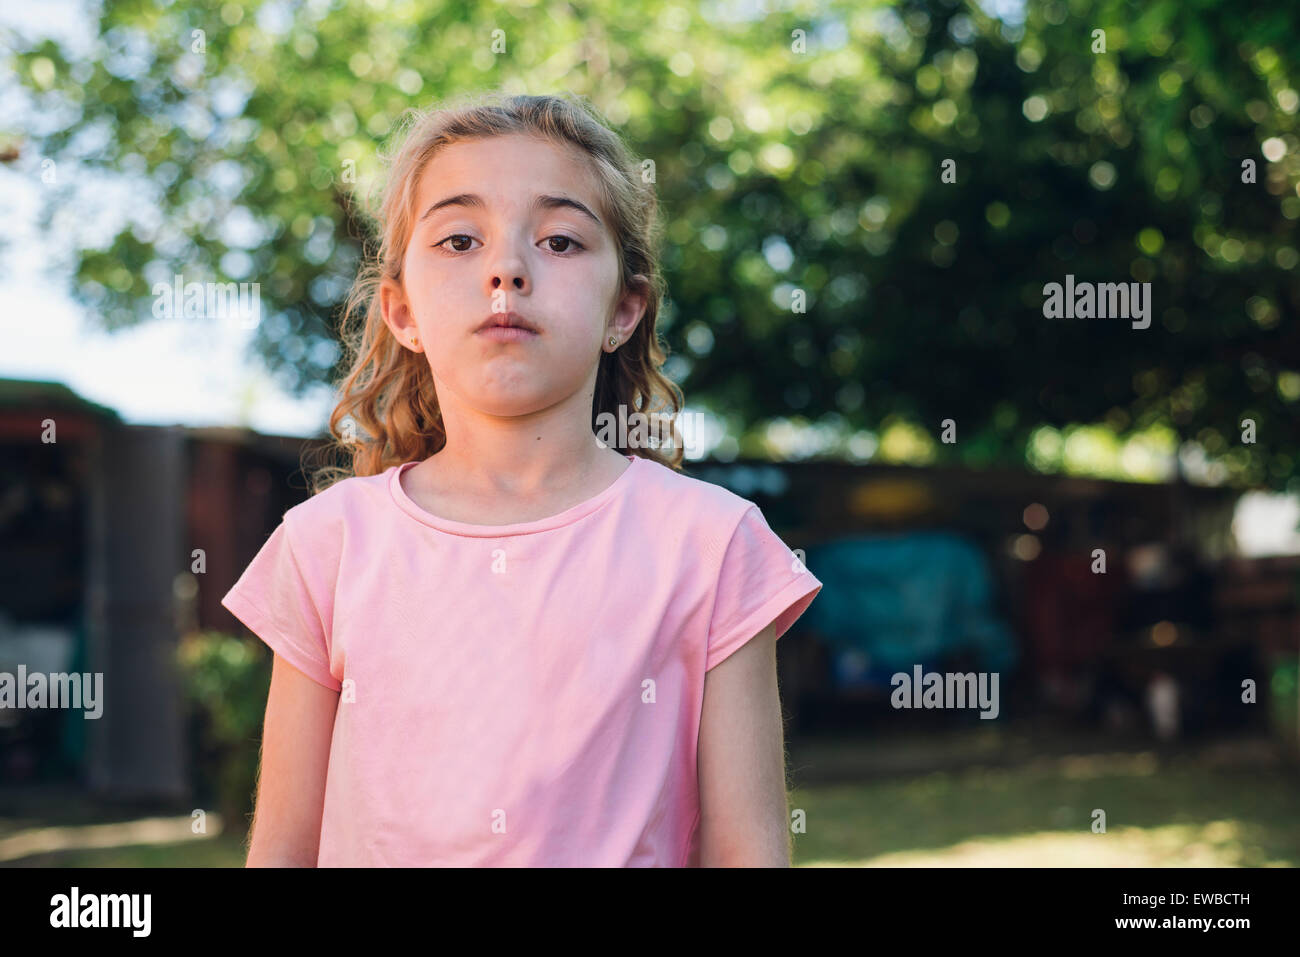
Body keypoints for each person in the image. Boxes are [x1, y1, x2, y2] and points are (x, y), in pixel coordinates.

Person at [221, 90, 823, 867]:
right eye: (461, 239)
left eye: (561, 242)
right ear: (402, 311)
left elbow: (749, 853)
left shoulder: (714, 544)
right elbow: (282, 850)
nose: (507, 269)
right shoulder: (325, 545)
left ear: (625, 310)